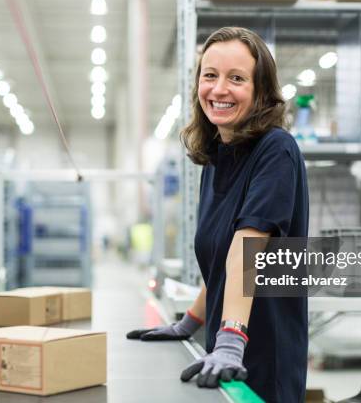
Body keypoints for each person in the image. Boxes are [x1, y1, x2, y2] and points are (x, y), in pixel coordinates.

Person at [127, 26, 309, 403]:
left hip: (260, 356)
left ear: (261, 91)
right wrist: (190, 322)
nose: (219, 89)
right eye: (210, 75)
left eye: (237, 78)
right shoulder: (217, 158)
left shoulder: (276, 151)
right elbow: (222, 262)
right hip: (225, 352)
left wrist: (230, 339)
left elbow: (247, 249)